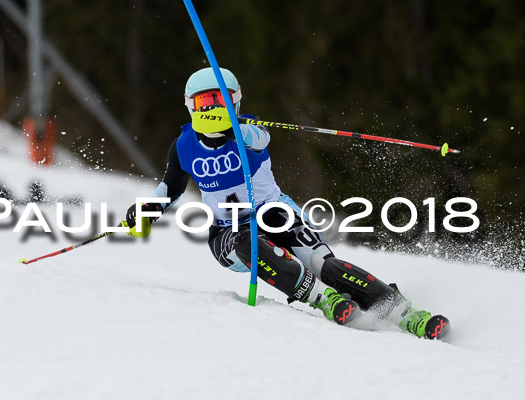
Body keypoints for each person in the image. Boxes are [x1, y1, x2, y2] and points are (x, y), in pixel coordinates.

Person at [125, 67, 449, 339]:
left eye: (220, 100)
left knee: (326, 265)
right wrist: (147, 211)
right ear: (190, 106)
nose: (213, 109)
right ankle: (323, 300)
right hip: (227, 230)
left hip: (276, 212)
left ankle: (404, 312)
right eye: (205, 102)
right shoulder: (183, 146)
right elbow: (170, 187)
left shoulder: (248, 131)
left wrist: (240, 132)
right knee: (248, 244)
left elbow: (260, 140)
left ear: (235, 101)